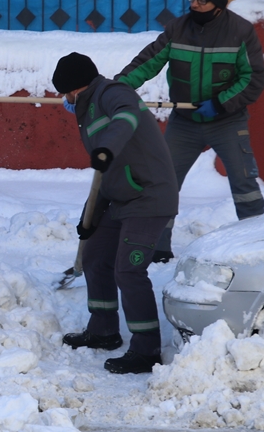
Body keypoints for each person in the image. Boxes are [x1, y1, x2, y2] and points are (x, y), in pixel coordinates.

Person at [115, 0, 264, 263]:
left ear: (219, 6)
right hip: (184, 123)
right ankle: (157, 246)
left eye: (201, 0)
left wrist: (221, 103)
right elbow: (148, 62)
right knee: (162, 183)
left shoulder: (241, 32)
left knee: (244, 183)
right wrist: (118, 88)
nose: (194, 4)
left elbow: (253, 79)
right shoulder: (178, 28)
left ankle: (258, 245)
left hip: (227, 120)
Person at [53, 52, 179, 374]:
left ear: (74, 89)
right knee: (95, 255)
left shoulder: (113, 93)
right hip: (121, 197)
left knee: (128, 270)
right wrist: (90, 216)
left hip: (149, 196)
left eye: (64, 94)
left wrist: (105, 147)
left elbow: (126, 119)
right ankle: (104, 330)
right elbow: (105, 175)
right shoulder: (88, 108)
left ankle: (146, 348)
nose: (64, 101)